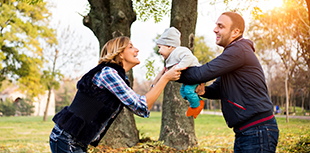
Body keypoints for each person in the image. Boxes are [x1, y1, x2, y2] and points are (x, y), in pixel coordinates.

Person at [49, 36, 184, 153]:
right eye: (130, 47)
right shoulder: (108, 73)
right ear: (120, 54)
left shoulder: (116, 76)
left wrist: (161, 78)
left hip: (73, 139)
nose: (137, 50)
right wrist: (165, 78)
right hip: (67, 139)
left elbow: (141, 104)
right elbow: (142, 106)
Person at [177, 12, 279, 152]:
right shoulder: (234, 53)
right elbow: (219, 89)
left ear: (235, 32)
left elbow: (201, 73)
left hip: (257, 130)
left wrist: (172, 72)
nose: (215, 29)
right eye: (216, 25)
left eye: (221, 26)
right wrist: (204, 91)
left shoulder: (239, 50)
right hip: (246, 131)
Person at [155, 27, 204, 119]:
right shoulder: (170, 56)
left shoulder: (179, 51)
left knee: (188, 91)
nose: (159, 51)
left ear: (169, 46)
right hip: (188, 78)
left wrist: (179, 67)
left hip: (196, 75)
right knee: (183, 93)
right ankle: (198, 101)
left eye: (160, 47)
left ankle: (196, 106)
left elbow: (188, 57)